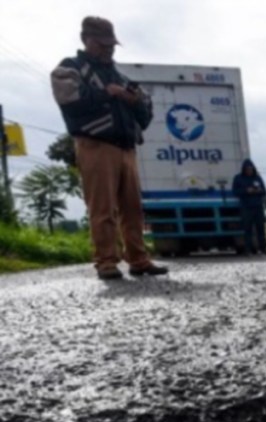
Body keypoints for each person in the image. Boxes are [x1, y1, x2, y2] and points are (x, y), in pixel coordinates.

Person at [50, 17, 167, 281]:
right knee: (102, 208)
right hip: (95, 145)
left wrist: (133, 100)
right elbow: (70, 100)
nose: (108, 49)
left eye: (111, 44)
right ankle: (106, 262)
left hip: (127, 148)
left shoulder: (120, 76)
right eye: (102, 44)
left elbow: (146, 115)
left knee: (133, 209)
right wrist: (109, 93)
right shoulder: (70, 68)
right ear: (86, 40)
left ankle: (138, 259)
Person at [233, 159, 266, 256]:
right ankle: (247, 249)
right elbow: (235, 192)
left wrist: (257, 191)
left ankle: (263, 248)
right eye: (247, 169)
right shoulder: (238, 178)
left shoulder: (257, 178)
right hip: (246, 207)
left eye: (251, 169)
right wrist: (246, 191)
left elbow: (264, 191)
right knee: (247, 229)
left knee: (260, 229)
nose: (249, 171)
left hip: (258, 206)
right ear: (244, 169)